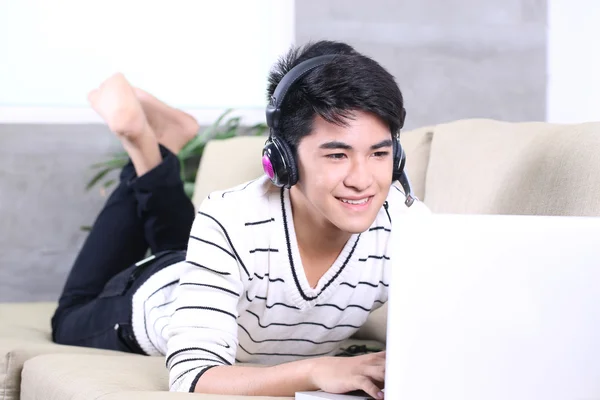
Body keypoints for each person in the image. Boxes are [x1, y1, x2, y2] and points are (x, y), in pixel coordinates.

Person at [51, 40, 431, 399]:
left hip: (218, 274)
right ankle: (144, 146)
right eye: (337, 155)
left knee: (179, 245)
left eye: (379, 154)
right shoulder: (232, 218)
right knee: (69, 316)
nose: (363, 180)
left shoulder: (407, 224)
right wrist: (314, 371)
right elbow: (191, 375)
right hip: (156, 296)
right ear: (282, 160)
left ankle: (169, 139)